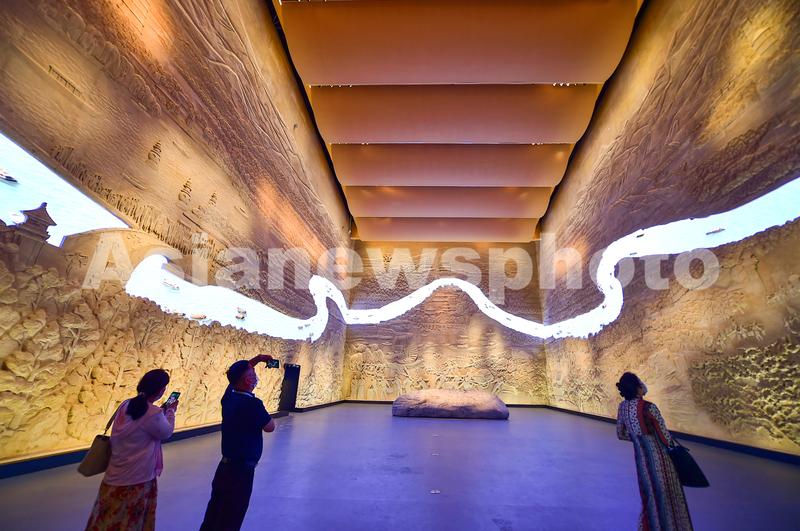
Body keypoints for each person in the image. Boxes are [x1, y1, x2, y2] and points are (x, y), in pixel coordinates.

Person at [86, 369, 178, 531]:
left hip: (114, 473)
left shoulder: (126, 404)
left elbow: (143, 422)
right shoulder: (153, 413)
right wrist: (170, 411)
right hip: (138, 477)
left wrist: (160, 411)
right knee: (130, 521)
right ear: (160, 390)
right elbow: (166, 432)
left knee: (107, 518)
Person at [200, 354, 277, 531]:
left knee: (215, 512)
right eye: (252, 374)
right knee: (232, 516)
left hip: (225, 467)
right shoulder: (254, 404)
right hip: (242, 471)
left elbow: (237, 373)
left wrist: (258, 359)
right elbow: (270, 427)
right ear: (248, 380)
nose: (255, 376)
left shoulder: (229, 398)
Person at [616, 372, 693, 531]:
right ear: (637, 388)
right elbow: (665, 437)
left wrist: (638, 439)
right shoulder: (649, 408)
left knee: (650, 496)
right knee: (668, 496)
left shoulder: (622, 408)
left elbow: (621, 434)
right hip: (661, 460)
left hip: (641, 461)